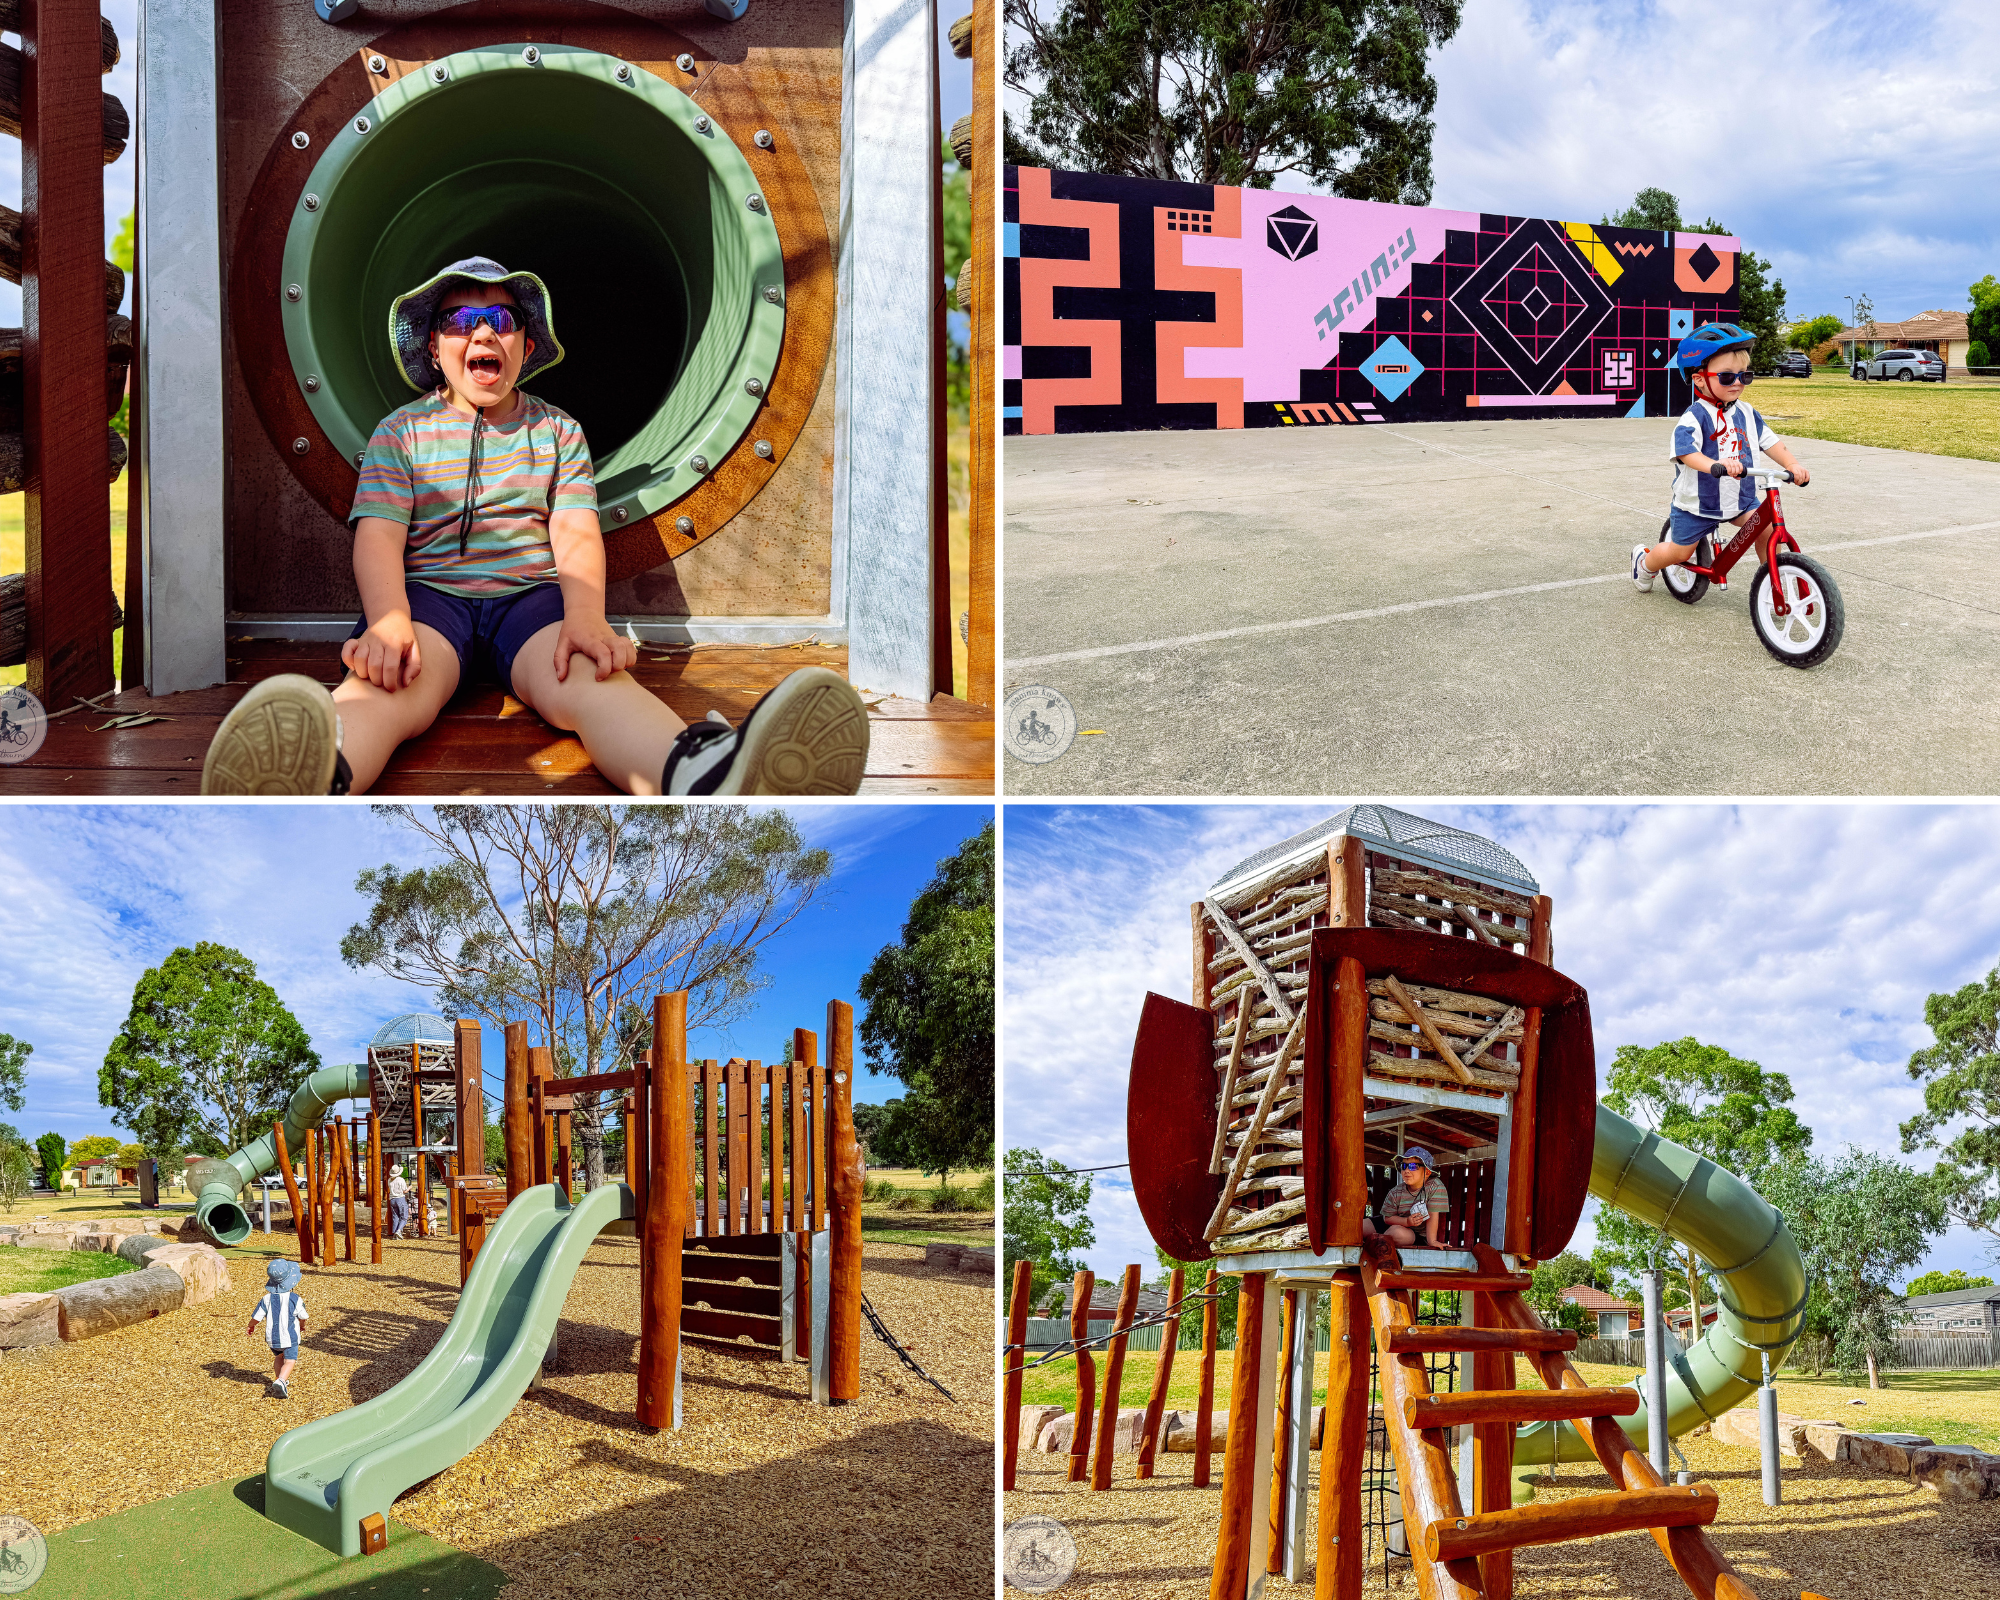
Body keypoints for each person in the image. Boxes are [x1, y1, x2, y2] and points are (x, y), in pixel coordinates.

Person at [198, 256, 869, 797]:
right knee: (392, 685)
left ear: (524, 346)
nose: (483, 332)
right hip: (430, 600)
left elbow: (574, 529)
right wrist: (388, 620)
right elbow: (379, 533)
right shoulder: (401, 433)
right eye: (462, 320)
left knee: (590, 682)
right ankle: (319, 773)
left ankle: (699, 773)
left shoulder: (555, 430)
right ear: (435, 348)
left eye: (502, 319)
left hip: (531, 602)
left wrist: (585, 616)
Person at [1631, 323, 1811, 592]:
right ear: (1700, 379)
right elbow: (1686, 453)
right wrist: (1715, 465)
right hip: (1697, 505)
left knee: (1766, 529)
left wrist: (1791, 464)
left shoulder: (1748, 413)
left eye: (1744, 376)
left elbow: (1772, 443)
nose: (1738, 382)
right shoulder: (1695, 417)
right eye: (1727, 377)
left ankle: (1771, 582)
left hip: (1740, 498)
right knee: (1680, 552)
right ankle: (1645, 563)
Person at [247, 1257, 309, 1397]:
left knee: (279, 1357)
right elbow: (303, 1316)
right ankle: (281, 1380)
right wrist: (302, 1326)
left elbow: (256, 1317)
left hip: (273, 1339)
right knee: (289, 1360)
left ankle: (278, 1379)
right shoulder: (295, 1298)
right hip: (289, 1338)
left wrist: (250, 1327)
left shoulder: (266, 1299)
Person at [1364, 1148, 1449, 1249]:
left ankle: (1373, 1244)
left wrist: (1432, 1241)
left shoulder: (1434, 1186)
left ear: (1427, 1172)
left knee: (1397, 1233)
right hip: (1394, 1222)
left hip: (1414, 1233)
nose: (1407, 1170)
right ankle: (1376, 1240)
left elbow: (1432, 1215)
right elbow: (1387, 1218)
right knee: (1359, 1227)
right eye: (1404, 1166)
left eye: (1413, 1166)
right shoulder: (1395, 1192)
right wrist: (1406, 1221)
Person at [387, 1165, 411, 1239]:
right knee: (404, 1217)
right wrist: (410, 1187)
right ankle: (399, 1231)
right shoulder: (400, 1179)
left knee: (395, 1217)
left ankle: (395, 1233)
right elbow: (405, 1191)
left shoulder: (389, 1180)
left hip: (392, 1200)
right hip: (400, 1198)